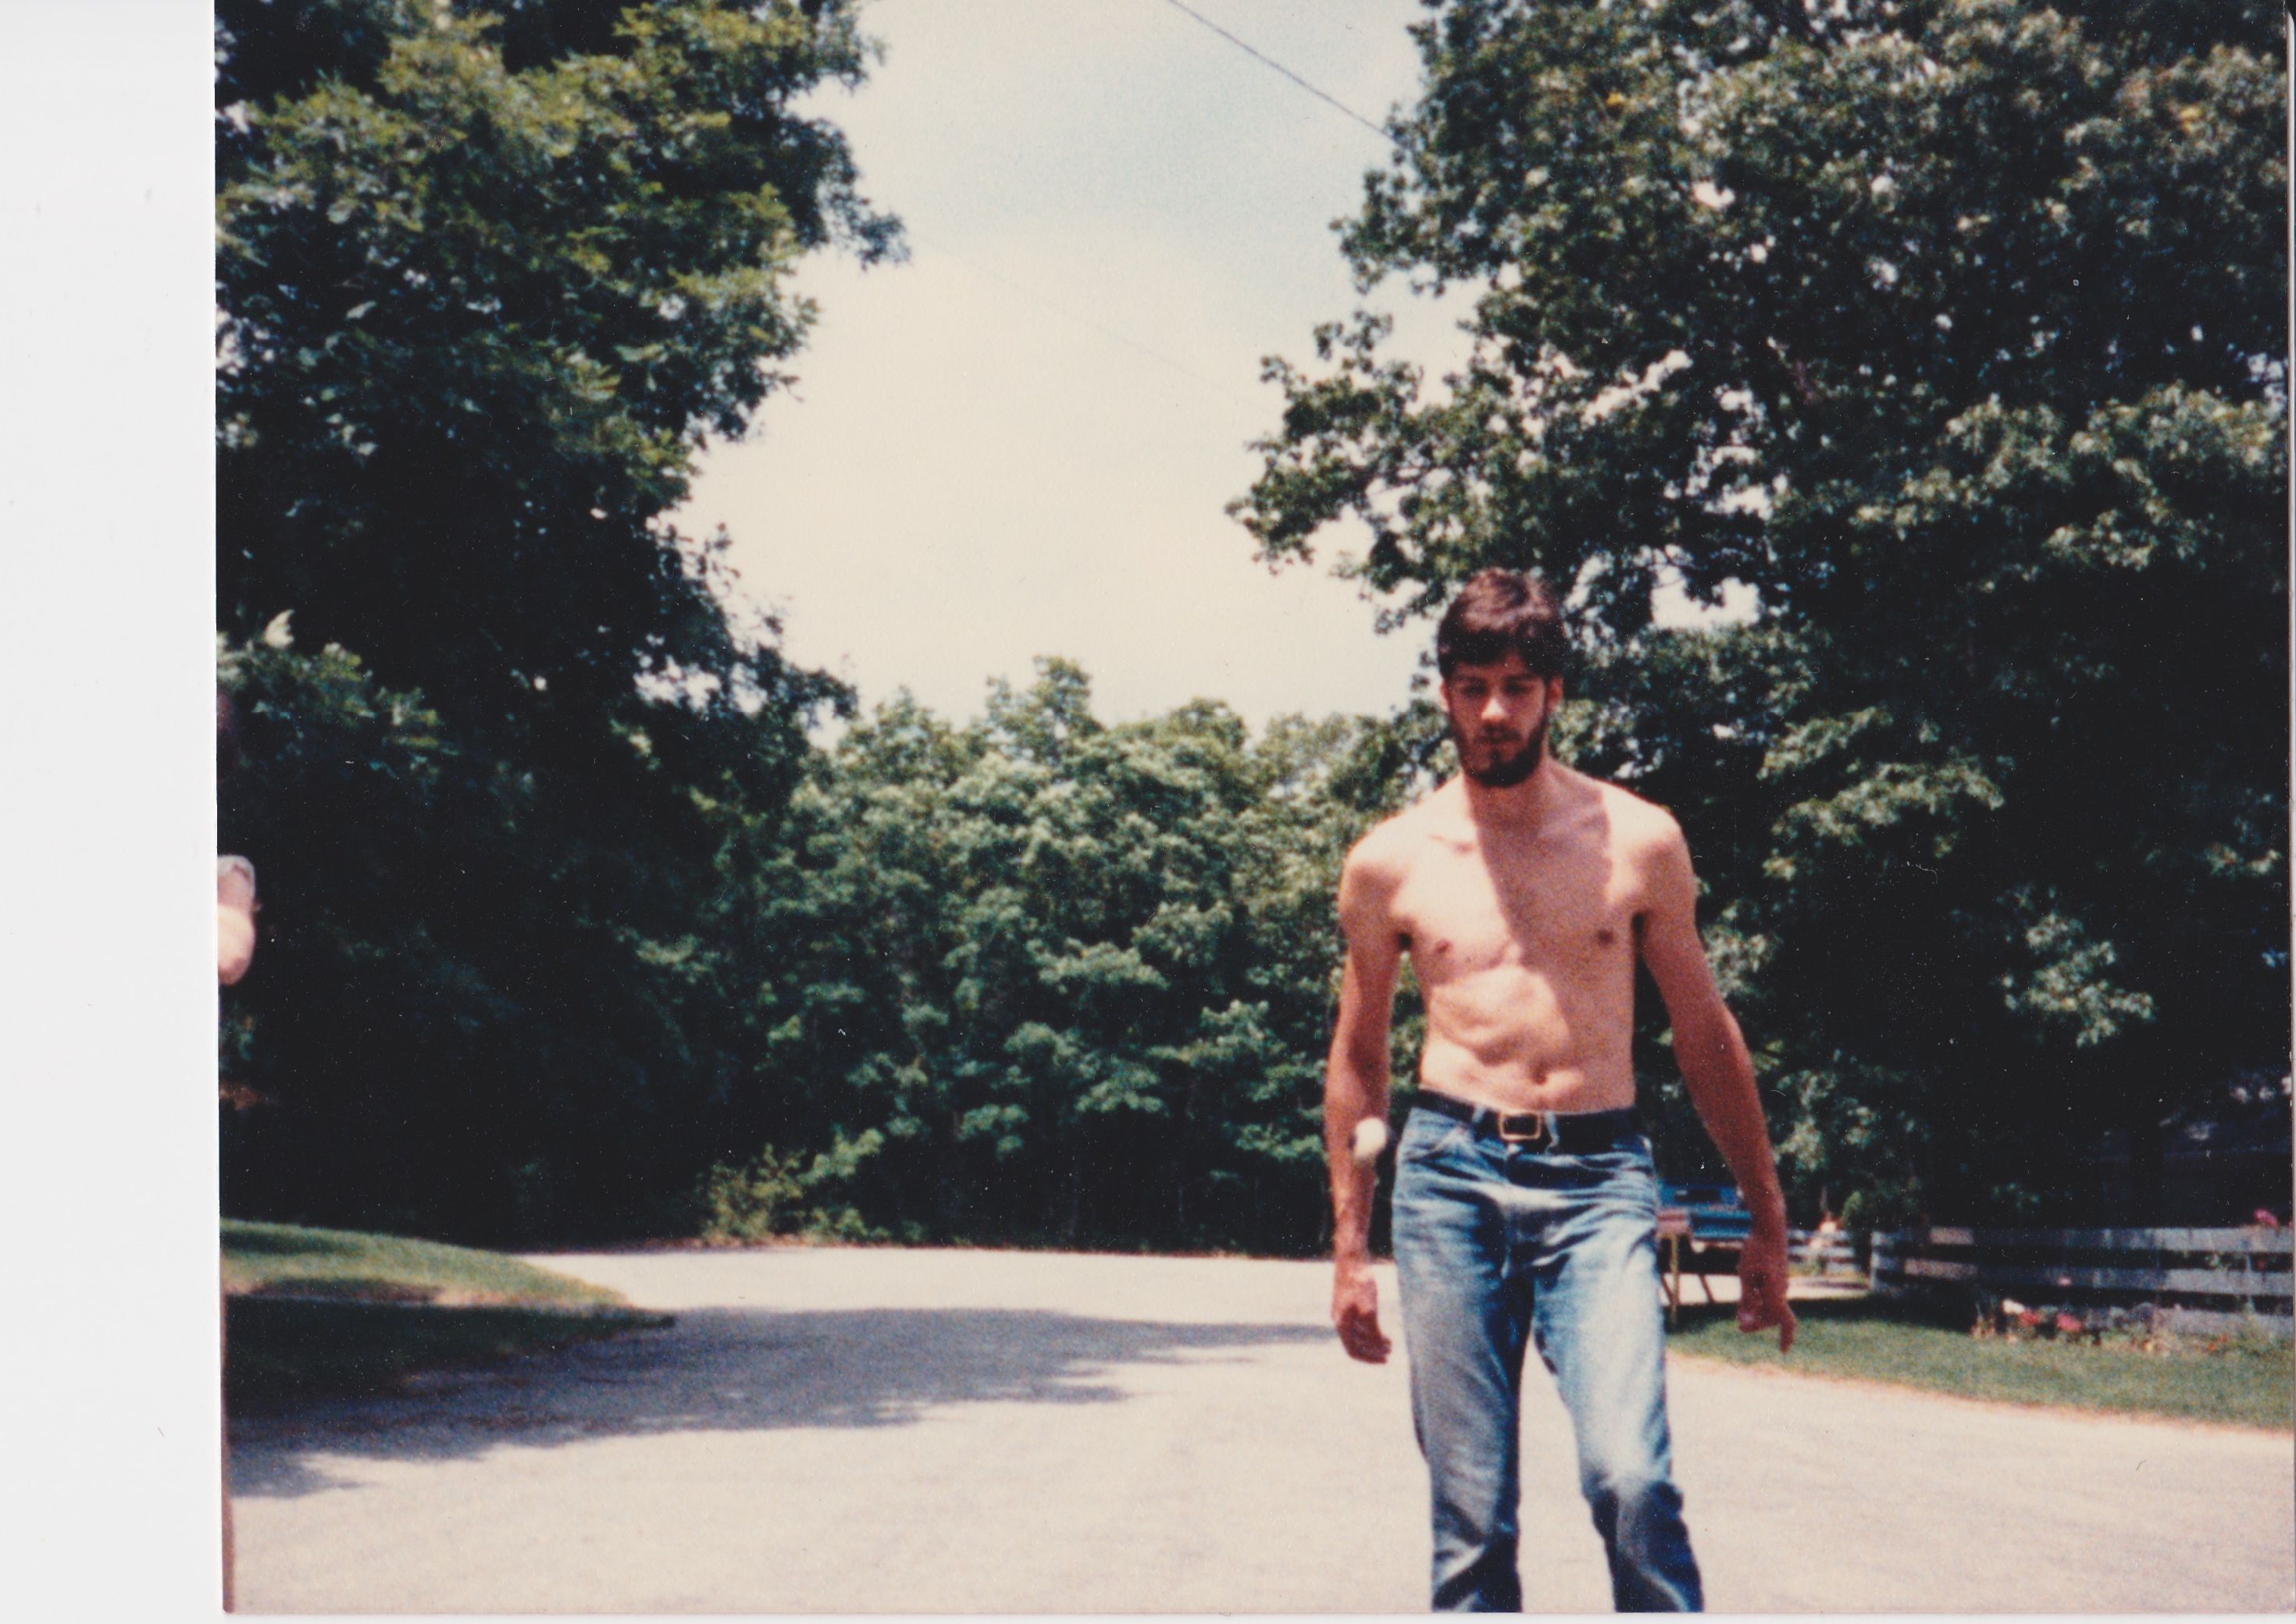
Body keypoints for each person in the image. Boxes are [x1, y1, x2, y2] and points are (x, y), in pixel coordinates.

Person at [1324, 569, 1794, 1613]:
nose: (1495, 712)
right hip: (1449, 1179)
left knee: (1632, 1480)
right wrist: (1351, 1248)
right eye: (1473, 687)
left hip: (1599, 1177)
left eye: (1519, 687)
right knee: (1470, 1524)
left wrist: (1766, 1216)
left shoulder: (1639, 841)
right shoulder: (1390, 862)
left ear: (1555, 694)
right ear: (1444, 694)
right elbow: (1358, 1058)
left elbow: (1704, 1034)